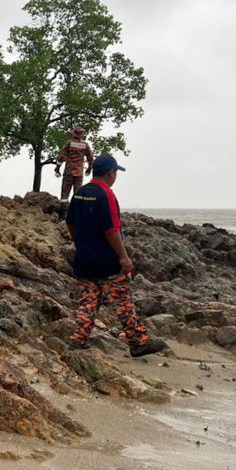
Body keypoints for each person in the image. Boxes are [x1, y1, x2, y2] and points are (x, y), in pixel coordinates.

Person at [65, 153, 167, 358]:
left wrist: (82, 243)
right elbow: (111, 229)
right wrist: (124, 257)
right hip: (107, 262)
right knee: (123, 301)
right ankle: (138, 342)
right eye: (115, 172)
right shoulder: (107, 195)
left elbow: (70, 223)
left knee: (88, 301)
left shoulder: (79, 193)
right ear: (111, 173)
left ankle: (78, 340)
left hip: (84, 260)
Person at [54, 126, 93, 221]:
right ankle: (76, 216)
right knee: (78, 195)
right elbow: (90, 158)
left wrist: (57, 168)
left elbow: (61, 157)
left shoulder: (69, 143)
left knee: (64, 195)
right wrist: (89, 169)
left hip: (68, 171)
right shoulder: (85, 145)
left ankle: (62, 217)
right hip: (79, 173)